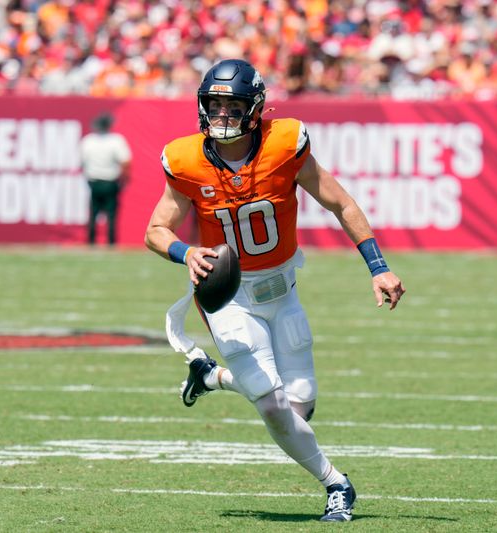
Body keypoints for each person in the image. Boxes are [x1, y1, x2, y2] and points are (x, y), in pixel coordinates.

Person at [145, 59, 405, 522]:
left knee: (298, 407)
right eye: (215, 104)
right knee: (271, 404)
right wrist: (185, 252)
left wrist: (378, 267)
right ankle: (337, 484)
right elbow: (155, 229)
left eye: (232, 105)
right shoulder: (184, 160)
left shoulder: (286, 144)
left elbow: (340, 202)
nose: (222, 114)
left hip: (283, 290)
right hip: (227, 297)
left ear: (256, 108)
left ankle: (211, 376)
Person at [80, 113, 132, 246]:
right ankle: (111, 242)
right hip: (110, 181)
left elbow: (82, 162)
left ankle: (91, 241)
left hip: (94, 181)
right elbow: (125, 161)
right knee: (111, 214)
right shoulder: (116, 140)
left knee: (94, 212)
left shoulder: (88, 140)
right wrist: (125, 179)